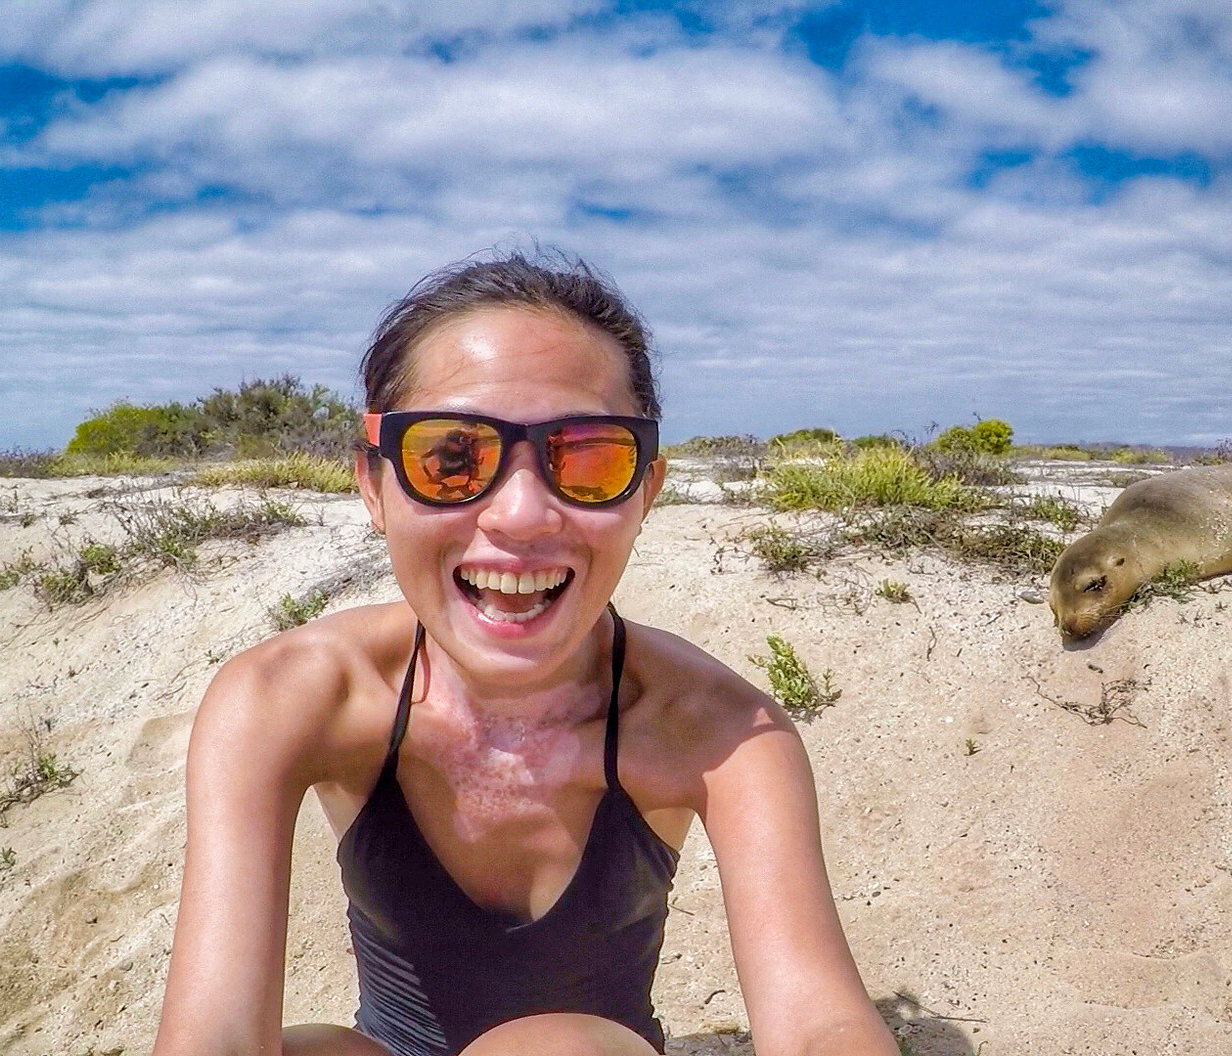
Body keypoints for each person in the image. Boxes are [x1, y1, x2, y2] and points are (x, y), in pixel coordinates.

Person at [152, 252, 898, 1056]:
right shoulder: (290, 697)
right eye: (450, 458)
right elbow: (214, 1033)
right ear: (373, 486)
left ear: (646, 491)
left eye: (587, 459)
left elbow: (821, 1024)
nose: (519, 514)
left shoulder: (721, 731)